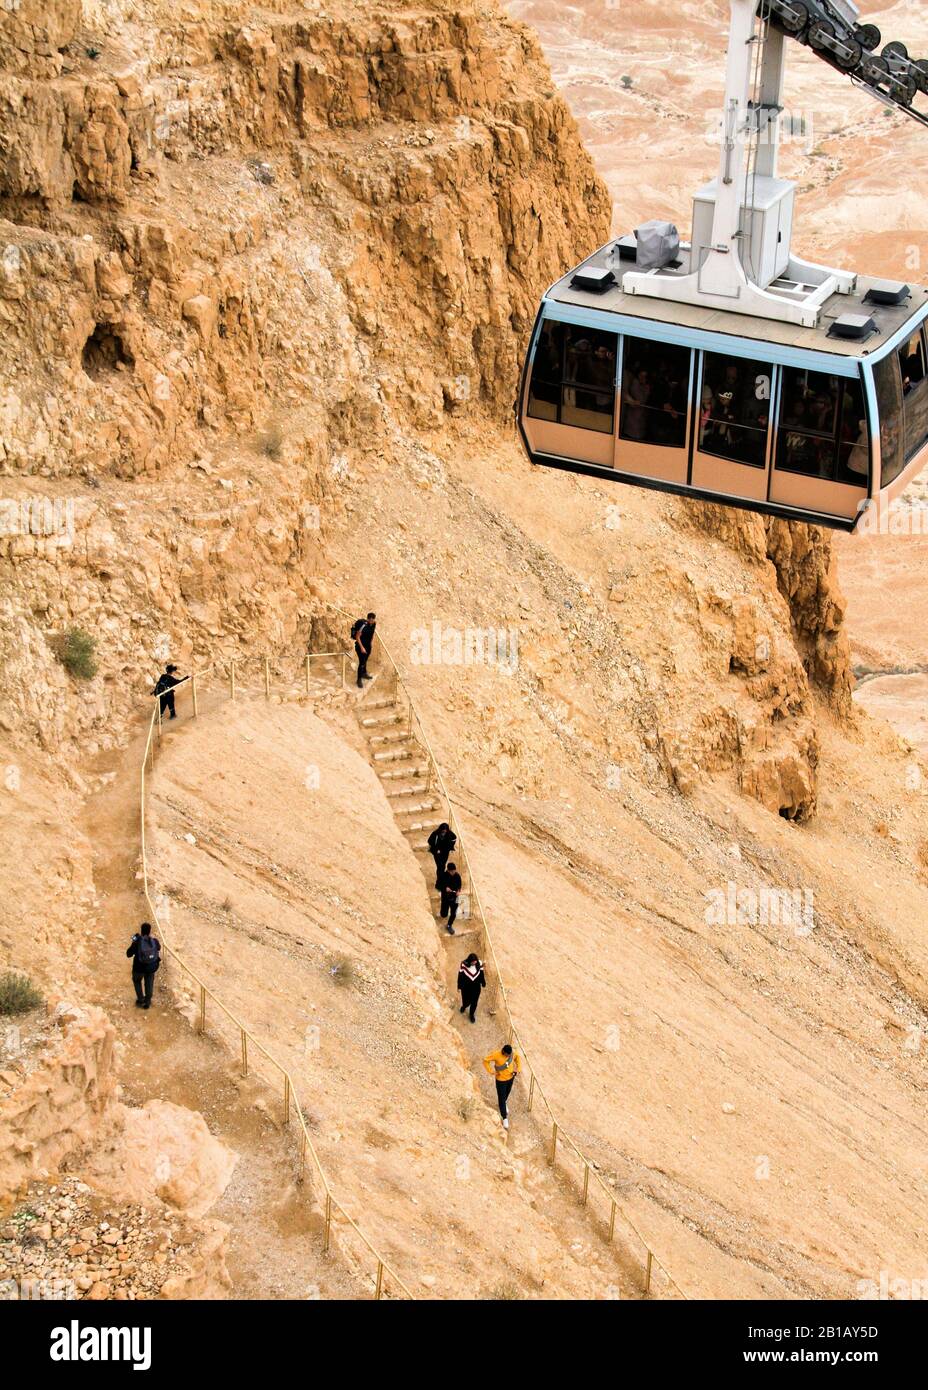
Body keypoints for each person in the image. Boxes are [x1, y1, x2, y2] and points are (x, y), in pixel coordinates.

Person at [483, 1043, 521, 1129]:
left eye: (509, 1055)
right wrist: (491, 1071)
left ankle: (504, 1103)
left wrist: (518, 1070)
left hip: (511, 1078)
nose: (508, 1056)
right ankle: (504, 1118)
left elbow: (518, 1058)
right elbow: (485, 1060)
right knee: (501, 1098)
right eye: (507, 1055)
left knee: (506, 1095)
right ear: (503, 1052)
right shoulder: (496, 1054)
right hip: (501, 1080)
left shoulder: (512, 1053)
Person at [126, 922, 161, 1009]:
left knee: (137, 981)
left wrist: (134, 941)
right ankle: (147, 1002)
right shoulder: (154, 941)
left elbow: (128, 954)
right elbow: (159, 948)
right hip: (151, 968)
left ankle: (140, 999)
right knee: (149, 984)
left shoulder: (137, 941)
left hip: (138, 968)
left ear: (141, 931)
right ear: (149, 931)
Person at [457, 954, 486, 1023]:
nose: (475, 963)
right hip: (466, 987)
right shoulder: (464, 964)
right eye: (473, 962)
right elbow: (460, 976)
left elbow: (481, 973)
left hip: (476, 988)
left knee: (474, 1002)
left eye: (475, 961)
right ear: (470, 961)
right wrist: (459, 986)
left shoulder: (479, 963)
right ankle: (464, 1006)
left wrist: (483, 982)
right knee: (466, 1000)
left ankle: (471, 1014)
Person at [427, 822, 456, 889]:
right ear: (440, 830)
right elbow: (429, 841)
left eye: (445, 831)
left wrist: (450, 847)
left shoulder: (449, 833)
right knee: (440, 867)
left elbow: (454, 838)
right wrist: (436, 849)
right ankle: (439, 884)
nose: (444, 833)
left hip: (445, 853)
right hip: (437, 854)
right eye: (443, 831)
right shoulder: (435, 833)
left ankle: (440, 882)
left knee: (442, 867)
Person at [353, 612, 376, 688]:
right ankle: (359, 680)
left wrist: (371, 642)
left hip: (368, 646)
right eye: (370, 619)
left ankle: (364, 673)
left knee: (365, 660)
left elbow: (372, 633)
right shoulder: (363, 626)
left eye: (373, 619)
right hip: (360, 646)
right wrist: (362, 648)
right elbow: (357, 637)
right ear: (368, 618)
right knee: (362, 662)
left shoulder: (374, 624)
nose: (371, 620)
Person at [439, 861, 462, 934]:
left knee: (453, 913)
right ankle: (443, 912)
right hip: (446, 897)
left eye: (454, 870)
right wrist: (445, 888)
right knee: (443, 914)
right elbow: (438, 885)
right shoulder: (443, 875)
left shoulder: (457, 876)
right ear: (448, 871)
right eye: (451, 871)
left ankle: (449, 925)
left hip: (454, 897)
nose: (453, 872)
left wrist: (458, 891)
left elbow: (459, 885)